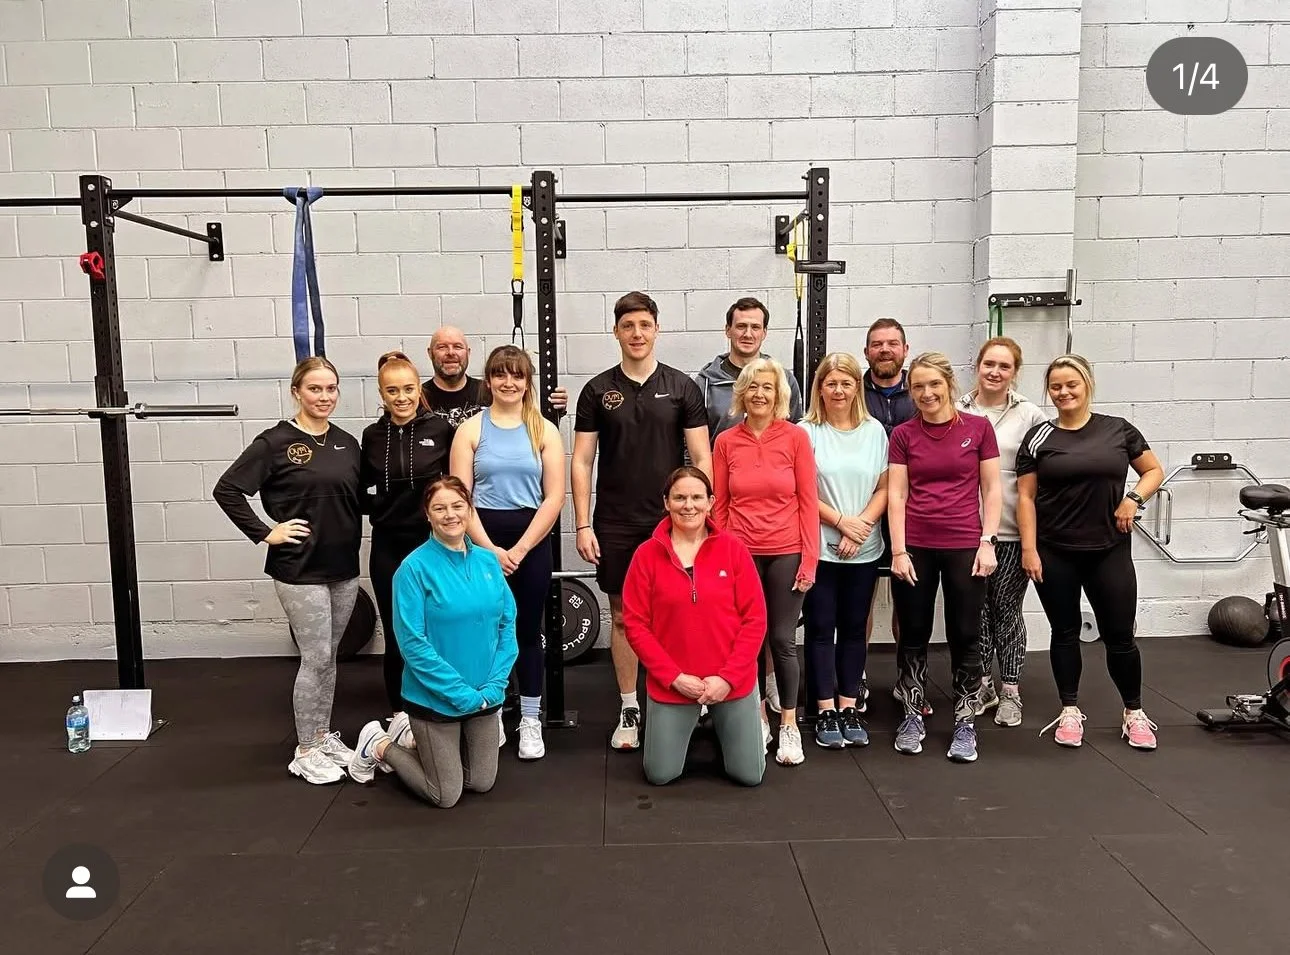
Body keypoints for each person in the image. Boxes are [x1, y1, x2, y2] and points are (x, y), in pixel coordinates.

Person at [572, 291, 712, 752]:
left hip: (673, 521)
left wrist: (703, 516)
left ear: (656, 330)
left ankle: (689, 697)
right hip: (614, 521)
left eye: (644, 325)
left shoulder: (682, 387)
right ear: (616, 331)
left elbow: (701, 456)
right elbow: (582, 460)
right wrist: (582, 524)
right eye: (628, 325)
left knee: (686, 607)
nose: (636, 334)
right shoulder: (596, 390)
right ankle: (630, 706)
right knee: (622, 615)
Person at [213, 356, 362, 785]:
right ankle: (305, 748)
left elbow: (356, 500)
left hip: (343, 566)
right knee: (314, 657)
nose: (324, 397)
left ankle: (321, 734)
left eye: (331, 388)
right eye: (315, 389)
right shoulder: (275, 442)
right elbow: (228, 489)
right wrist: (265, 532)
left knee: (329, 656)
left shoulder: (346, 442)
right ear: (297, 391)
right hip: (299, 568)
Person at [1015, 354, 1165, 751]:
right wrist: (1029, 549)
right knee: (1064, 633)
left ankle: (1134, 713)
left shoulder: (1118, 430)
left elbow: (1153, 470)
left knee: (1120, 637)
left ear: (1087, 385)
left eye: (1071, 385)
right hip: (1054, 550)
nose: (1063, 392)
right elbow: (1025, 498)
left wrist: (1133, 499)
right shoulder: (1038, 437)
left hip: (1108, 551)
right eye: (1055, 386)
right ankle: (1069, 711)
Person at [347, 476, 518, 807]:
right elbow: (412, 645)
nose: (450, 515)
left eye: (457, 506)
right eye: (440, 508)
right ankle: (379, 744)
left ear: (469, 510)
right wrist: (460, 694)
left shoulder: (487, 562)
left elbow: (507, 626)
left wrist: (496, 686)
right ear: (427, 514)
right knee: (446, 795)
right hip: (434, 698)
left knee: (481, 782)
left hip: (484, 693)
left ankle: (416, 742)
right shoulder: (412, 569)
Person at [450, 345, 564, 761]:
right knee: (486, 631)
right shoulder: (471, 430)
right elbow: (460, 499)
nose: (508, 382)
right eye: (500, 375)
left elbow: (554, 498)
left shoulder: (544, 430)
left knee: (527, 631)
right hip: (482, 540)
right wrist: (491, 550)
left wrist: (518, 548)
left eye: (517, 375)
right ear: (489, 381)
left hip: (530, 541)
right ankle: (492, 713)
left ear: (526, 381)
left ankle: (530, 719)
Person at [887, 352, 1002, 763]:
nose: (926, 393)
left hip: (965, 545)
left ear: (949, 384)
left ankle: (965, 720)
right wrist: (898, 551)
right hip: (916, 545)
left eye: (933, 384)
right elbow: (897, 494)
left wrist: (987, 540)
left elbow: (991, 489)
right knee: (913, 632)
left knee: (965, 633)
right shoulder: (903, 435)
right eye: (917, 386)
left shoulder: (978, 428)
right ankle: (913, 713)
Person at [621, 467, 768, 787]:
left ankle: (718, 725)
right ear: (666, 503)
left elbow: (755, 620)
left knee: (749, 775)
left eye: (697, 497)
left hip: (730, 682)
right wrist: (674, 677)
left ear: (711, 502)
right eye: (680, 497)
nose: (689, 505)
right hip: (675, 685)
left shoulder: (733, 550)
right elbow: (635, 624)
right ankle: (697, 723)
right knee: (660, 775)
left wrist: (728, 678)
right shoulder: (646, 555)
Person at [712, 357, 819, 766]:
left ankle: (789, 723)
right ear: (742, 392)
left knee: (781, 639)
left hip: (787, 550)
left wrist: (810, 560)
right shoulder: (726, 442)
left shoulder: (794, 439)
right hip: (740, 553)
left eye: (768, 388)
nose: (759, 394)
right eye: (753, 386)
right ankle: (756, 715)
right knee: (748, 641)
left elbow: (808, 503)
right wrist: (718, 559)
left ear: (779, 395)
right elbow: (719, 507)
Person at [956, 338, 1049, 728]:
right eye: (988, 364)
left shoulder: (1030, 415)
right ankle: (982, 686)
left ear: (1014, 372)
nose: (995, 372)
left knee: (1006, 612)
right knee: (975, 614)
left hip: (1010, 531)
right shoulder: (957, 408)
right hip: (964, 531)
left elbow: (1045, 475)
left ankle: (1010, 689)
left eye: (1004, 366)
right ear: (977, 366)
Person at [798, 353, 889, 750]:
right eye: (831, 383)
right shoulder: (804, 432)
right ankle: (824, 709)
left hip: (864, 548)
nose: (838, 390)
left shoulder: (875, 432)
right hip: (820, 547)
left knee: (854, 629)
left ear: (857, 388)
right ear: (820, 388)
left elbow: (886, 487)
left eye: (846, 383)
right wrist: (840, 521)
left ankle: (848, 705)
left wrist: (861, 524)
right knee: (820, 629)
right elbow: (799, 491)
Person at [361, 351, 453, 723]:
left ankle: (440, 705)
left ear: (420, 389)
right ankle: (399, 714)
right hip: (388, 546)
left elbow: (458, 488)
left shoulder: (441, 430)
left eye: (409, 389)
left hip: (431, 546)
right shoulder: (370, 437)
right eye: (392, 391)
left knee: (437, 628)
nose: (401, 398)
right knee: (399, 632)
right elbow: (356, 490)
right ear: (382, 394)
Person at [861, 318, 918, 711]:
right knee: (861, 598)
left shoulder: (922, 391)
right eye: (877, 344)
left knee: (907, 599)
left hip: (912, 512)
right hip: (862, 508)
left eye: (892, 344)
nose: (885, 350)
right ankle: (857, 676)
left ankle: (907, 677)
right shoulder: (853, 391)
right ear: (866, 352)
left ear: (905, 350)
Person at [696, 296, 805, 445]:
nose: (748, 334)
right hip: (722, 467)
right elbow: (693, 442)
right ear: (728, 330)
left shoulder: (783, 379)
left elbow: (796, 435)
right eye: (741, 326)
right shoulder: (706, 383)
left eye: (755, 327)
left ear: (764, 333)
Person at [422, 325, 566, 431]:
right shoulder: (418, 397)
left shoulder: (491, 390)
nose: (451, 353)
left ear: (468, 352)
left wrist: (555, 408)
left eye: (458, 347)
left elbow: (524, 419)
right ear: (430, 353)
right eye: (442, 347)